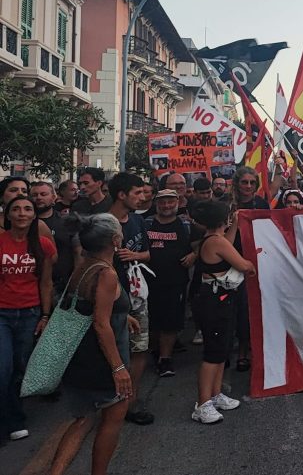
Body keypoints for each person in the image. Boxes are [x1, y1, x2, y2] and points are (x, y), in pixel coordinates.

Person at [50, 213, 133, 475]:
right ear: (115, 240)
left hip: (79, 356)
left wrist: (123, 314)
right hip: (103, 359)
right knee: (112, 420)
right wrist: (118, 368)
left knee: (82, 420)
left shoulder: (84, 265)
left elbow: (91, 305)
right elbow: (100, 323)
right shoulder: (106, 273)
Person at [189, 200, 255, 424]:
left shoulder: (214, 239)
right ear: (222, 219)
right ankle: (202, 403)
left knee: (222, 349)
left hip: (221, 299)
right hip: (215, 301)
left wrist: (234, 225)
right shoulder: (216, 242)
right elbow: (244, 265)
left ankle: (215, 396)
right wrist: (252, 262)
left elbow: (227, 243)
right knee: (213, 354)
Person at [0, 196, 55, 442]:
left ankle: (13, 417)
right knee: (3, 368)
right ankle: (8, 419)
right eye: (16, 209)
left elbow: (46, 282)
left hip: (30, 313)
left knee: (20, 368)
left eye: (27, 209)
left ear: (34, 215)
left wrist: (45, 314)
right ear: (8, 215)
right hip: (2, 313)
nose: (22, 213)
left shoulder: (43, 245)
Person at [106, 172, 154, 426]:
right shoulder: (102, 224)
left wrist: (134, 255)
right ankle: (111, 401)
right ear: (121, 194)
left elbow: (147, 254)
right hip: (112, 302)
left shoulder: (137, 221)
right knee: (115, 353)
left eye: (144, 192)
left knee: (139, 349)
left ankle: (130, 401)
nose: (143, 197)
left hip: (137, 299)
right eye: (137, 193)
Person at [144, 190, 195, 378]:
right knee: (153, 320)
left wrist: (193, 255)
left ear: (178, 202)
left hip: (176, 281)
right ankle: (157, 351)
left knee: (171, 321)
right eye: (163, 202)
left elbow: (201, 244)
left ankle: (165, 359)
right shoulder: (147, 223)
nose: (166, 206)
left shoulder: (186, 224)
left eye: (170, 202)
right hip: (148, 281)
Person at [230, 167, 268, 372]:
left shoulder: (261, 204)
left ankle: (254, 350)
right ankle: (241, 351)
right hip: (231, 261)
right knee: (238, 310)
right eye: (244, 182)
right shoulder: (227, 205)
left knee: (253, 307)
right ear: (237, 183)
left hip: (257, 261)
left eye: (252, 183)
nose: (248, 186)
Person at [30, 181, 79, 294]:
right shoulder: (23, 224)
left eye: (43, 194)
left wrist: (76, 280)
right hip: (31, 284)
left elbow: (78, 252)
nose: (38, 198)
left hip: (63, 285)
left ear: (53, 197)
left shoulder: (67, 222)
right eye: (34, 195)